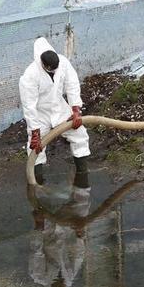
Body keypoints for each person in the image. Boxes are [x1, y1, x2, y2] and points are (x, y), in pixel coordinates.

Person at [19, 37, 90, 190]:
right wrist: (35, 131)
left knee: (79, 134)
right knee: (35, 148)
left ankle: (82, 178)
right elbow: (29, 106)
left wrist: (76, 109)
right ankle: (37, 182)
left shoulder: (63, 62)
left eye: (55, 68)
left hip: (59, 108)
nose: (54, 71)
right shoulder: (30, 75)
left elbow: (72, 84)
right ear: (42, 63)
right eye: (50, 69)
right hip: (40, 114)